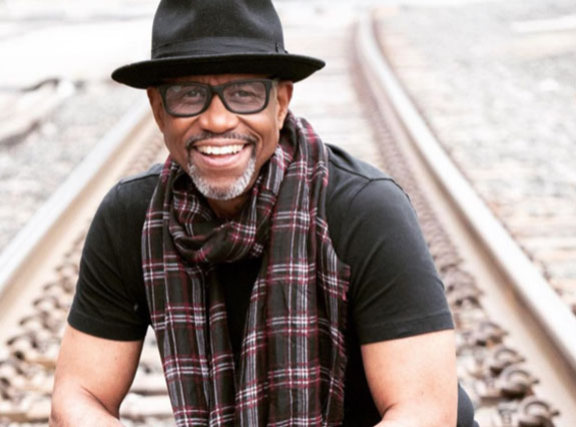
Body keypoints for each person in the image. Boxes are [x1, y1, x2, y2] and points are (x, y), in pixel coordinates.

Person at [51, 0, 477, 426]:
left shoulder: (365, 209)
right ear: (159, 110)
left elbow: (426, 412)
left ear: (281, 102)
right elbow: (78, 397)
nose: (218, 120)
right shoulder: (132, 217)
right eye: (189, 95)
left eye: (244, 93)